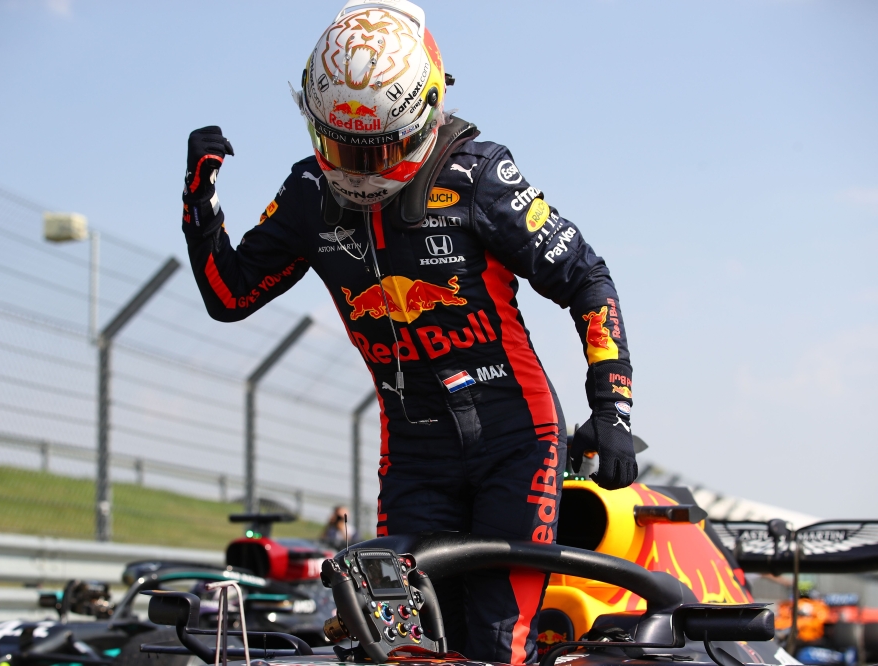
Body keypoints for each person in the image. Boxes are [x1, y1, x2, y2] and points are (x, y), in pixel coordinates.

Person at [180, 1, 637, 662]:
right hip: (415, 455)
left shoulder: (480, 176)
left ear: (426, 111)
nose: (361, 168)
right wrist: (200, 207)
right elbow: (228, 294)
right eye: (343, 147)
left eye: (380, 148)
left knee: (490, 645)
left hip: (517, 443)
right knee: (399, 648)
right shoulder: (309, 193)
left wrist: (613, 410)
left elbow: (587, 277)